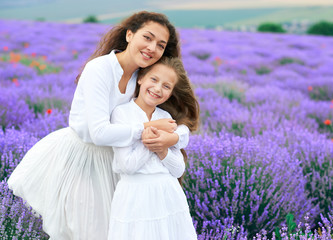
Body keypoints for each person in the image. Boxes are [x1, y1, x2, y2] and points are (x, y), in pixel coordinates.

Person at [7, 11, 190, 240]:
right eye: (148, 37)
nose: (152, 48)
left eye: (161, 45)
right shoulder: (100, 69)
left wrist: (173, 138)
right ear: (130, 35)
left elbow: (174, 121)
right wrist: (145, 129)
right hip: (83, 159)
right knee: (88, 232)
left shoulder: (145, 78)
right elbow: (99, 132)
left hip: (116, 162)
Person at [108, 56, 199, 240]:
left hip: (167, 194)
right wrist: (150, 142)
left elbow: (178, 169)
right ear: (141, 78)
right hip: (135, 195)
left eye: (166, 86)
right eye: (154, 79)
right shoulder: (122, 114)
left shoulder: (166, 117)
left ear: (171, 93)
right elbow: (127, 166)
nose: (157, 88)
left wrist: (163, 149)